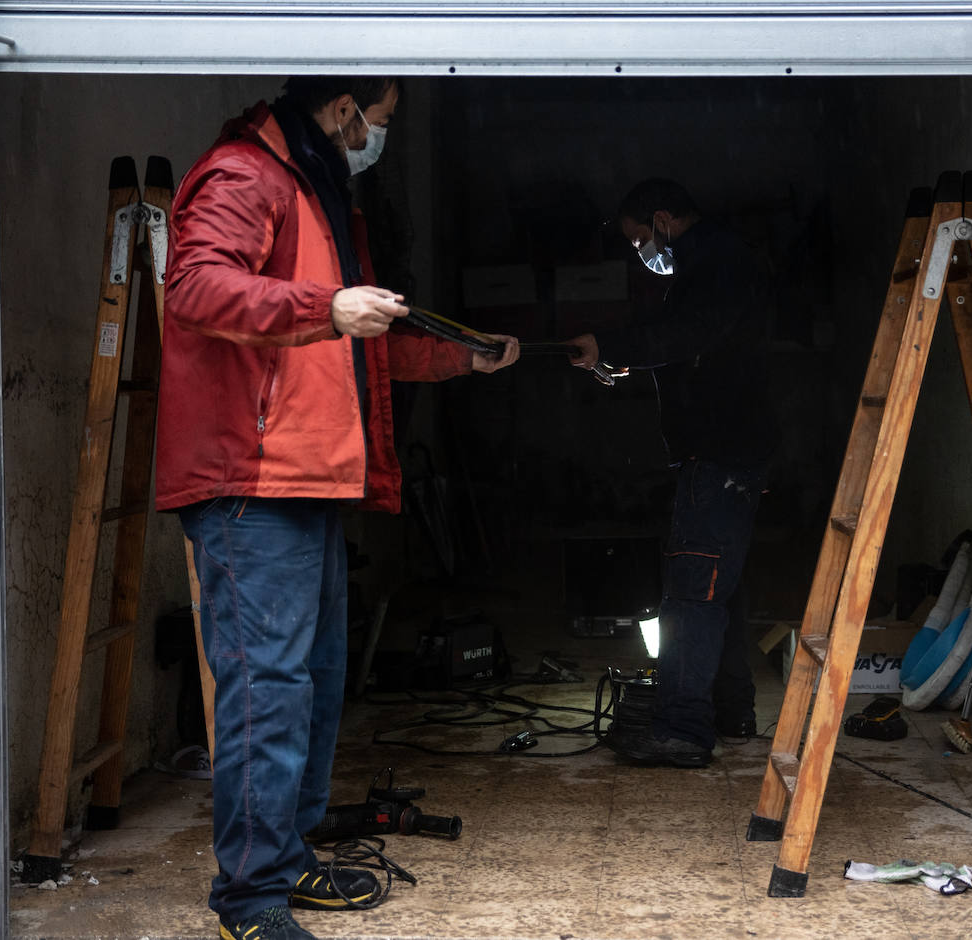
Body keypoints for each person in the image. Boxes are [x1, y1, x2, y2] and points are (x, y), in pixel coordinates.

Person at [156, 76, 519, 939]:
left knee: (312, 682)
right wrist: (327, 305)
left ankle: (284, 861)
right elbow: (197, 288)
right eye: (382, 119)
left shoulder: (318, 193)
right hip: (253, 482)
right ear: (347, 107)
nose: (378, 139)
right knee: (264, 692)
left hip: (307, 480)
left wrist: (457, 363)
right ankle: (248, 904)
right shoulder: (247, 174)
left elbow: (351, 352)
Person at [567, 178, 776, 768]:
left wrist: (610, 344)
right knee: (719, 590)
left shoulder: (715, 262)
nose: (642, 254)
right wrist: (629, 359)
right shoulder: (713, 262)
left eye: (640, 242)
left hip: (720, 453)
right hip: (729, 450)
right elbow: (696, 351)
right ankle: (731, 711)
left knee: (691, 590)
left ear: (662, 219)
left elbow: (684, 336)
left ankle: (683, 729)